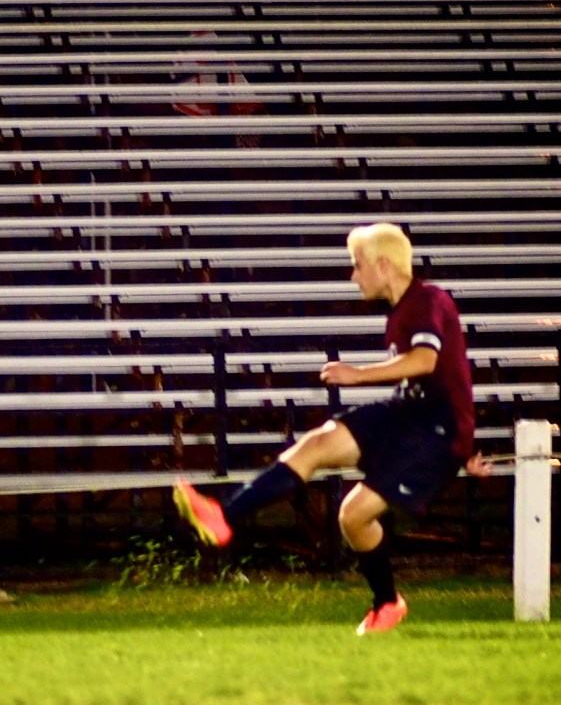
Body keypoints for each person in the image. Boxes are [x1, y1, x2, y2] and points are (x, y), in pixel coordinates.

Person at [173, 222, 491, 634]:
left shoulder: (429, 299)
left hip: (436, 433)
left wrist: (358, 375)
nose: (353, 275)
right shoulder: (401, 311)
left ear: (383, 265)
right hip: (407, 415)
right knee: (318, 444)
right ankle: (223, 516)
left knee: (353, 517)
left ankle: (387, 603)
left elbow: (425, 361)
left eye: (358, 265)